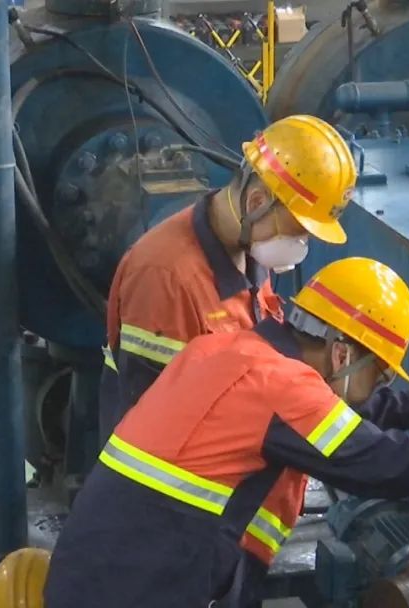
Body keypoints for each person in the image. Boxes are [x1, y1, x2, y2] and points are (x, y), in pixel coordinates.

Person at [45, 257, 409, 607]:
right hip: (137, 590)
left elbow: (322, 419)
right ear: (341, 354)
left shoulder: (231, 352)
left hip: (94, 573)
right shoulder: (281, 387)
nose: (377, 388)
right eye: (379, 376)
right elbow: (382, 463)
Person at [98, 114, 357, 443]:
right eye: (297, 230)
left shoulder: (250, 248)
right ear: (257, 201)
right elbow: (159, 423)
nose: (300, 244)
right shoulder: (166, 277)